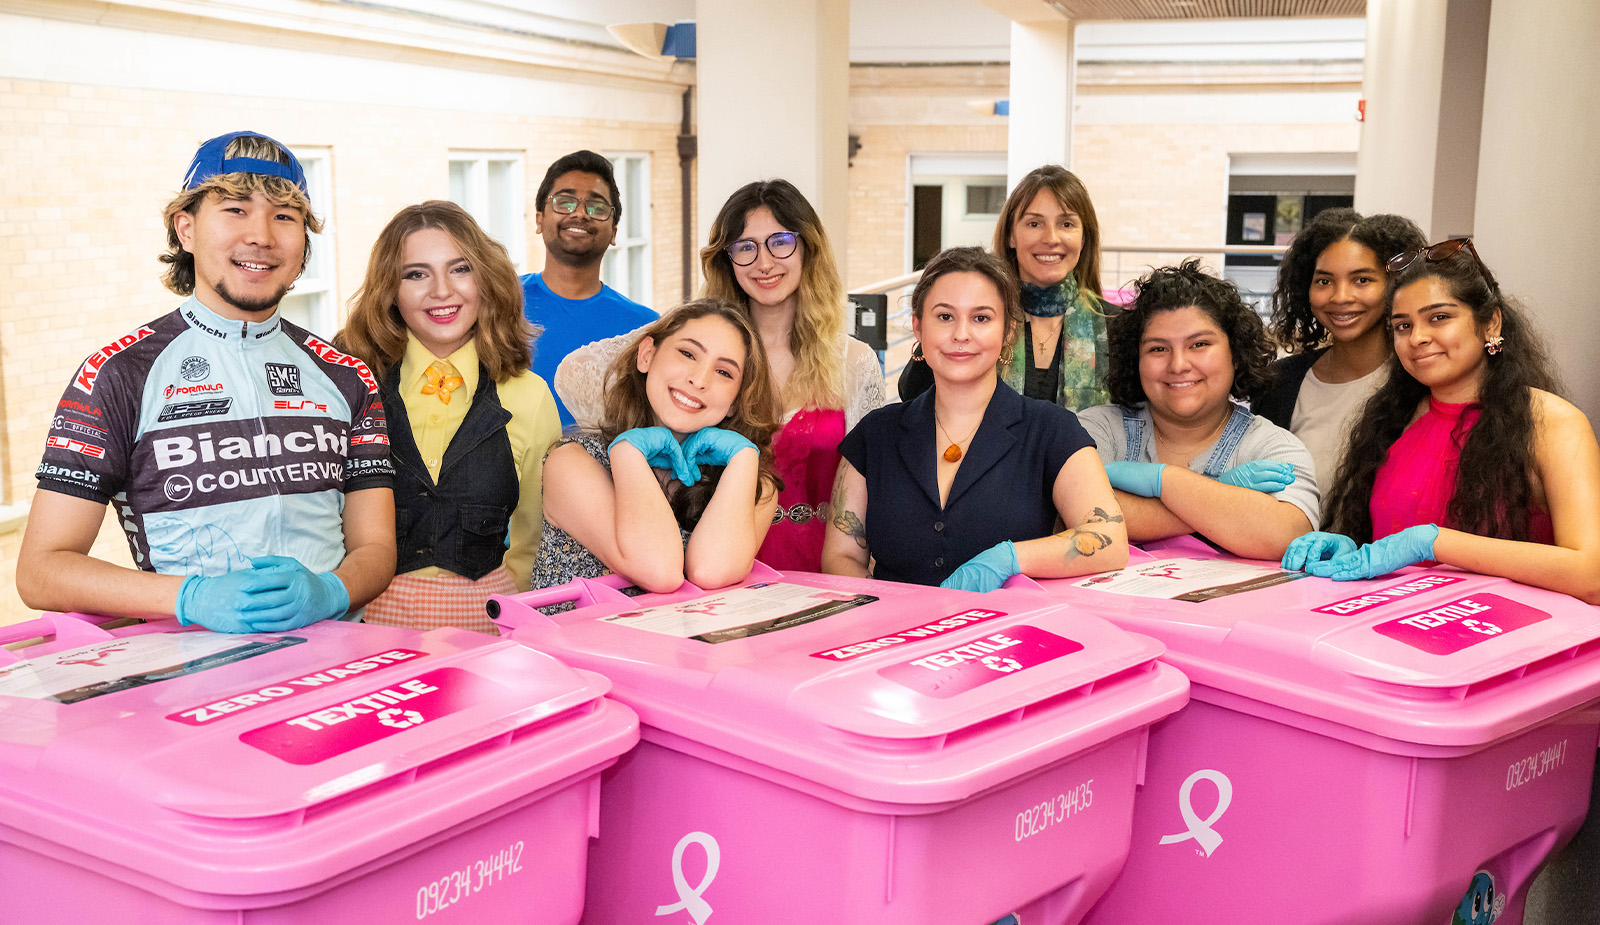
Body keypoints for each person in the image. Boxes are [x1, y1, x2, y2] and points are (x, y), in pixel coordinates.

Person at [16, 131, 395, 632]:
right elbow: (40, 570)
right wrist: (191, 597)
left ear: (303, 243)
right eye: (235, 209)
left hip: (336, 666)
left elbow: (376, 548)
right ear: (186, 229)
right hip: (190, 679)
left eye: (284, 216)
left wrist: (333, 590)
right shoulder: (118, 373)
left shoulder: (345, 374)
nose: (261, 234)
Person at [557, 179, 885, 572]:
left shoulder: (853, 360)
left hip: (822, 563)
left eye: (780, 241)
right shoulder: (710, 353)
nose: (764, 263)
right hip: (708, 554)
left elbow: (871, 484)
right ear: (726, 259)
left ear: (808, 247)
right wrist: (658, 420)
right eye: (745, 248)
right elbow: (573, 373)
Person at [1282, 238, 1600, 603]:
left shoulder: (1553, 423)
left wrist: (1434, 543)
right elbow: (1392, 546)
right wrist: (1352, 550)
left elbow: (1592, 575)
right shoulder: (1393, 418)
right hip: (1388, 634)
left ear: (1491, 323)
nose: (1417, 338)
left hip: (1502, 644)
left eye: (1439, 318)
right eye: (1402, 326)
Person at [822, 246, 1127, 591]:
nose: (961, 334)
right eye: (945, 317)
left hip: (1011, 637)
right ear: (918, 328)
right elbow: (841, 556)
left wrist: (1009, 558)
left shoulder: (1051, 429)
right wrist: (890, 612)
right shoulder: (875, 434)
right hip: (896, 637)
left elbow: (1110, 539)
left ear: (1008, 330)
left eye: (981, 318)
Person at [335, 201, 560, 632]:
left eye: (460, 269)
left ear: (486, 280)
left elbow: (535, 537)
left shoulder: (529, 396)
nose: (441, 291)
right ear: (390, 290)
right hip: (364, 625)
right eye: (416, 274)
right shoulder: (352, 388)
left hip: (487, 626)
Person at [533, 300, 782, 595]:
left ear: (736, 402)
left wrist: (742, 458)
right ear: (647, 355)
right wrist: (628, 452)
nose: (699, 380)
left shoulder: (754, 486)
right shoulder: (569, 463)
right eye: (688, 353)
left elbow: (710, 571)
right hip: (570, 642)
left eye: (724, 372)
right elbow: (659, 571)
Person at [1076, 260, 1319, 561]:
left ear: (1237, 353)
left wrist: (1165, 484)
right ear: (1134, 360)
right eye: (1158, 349)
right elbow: (1079, 515)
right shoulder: (1094, 429)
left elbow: (1287, 534)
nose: (1178, 365)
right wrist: (1220, 494)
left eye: (1199, 344)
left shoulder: (1272, 447)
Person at [900, 164, 1111, 410]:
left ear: (1084, 237)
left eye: (1066, 224)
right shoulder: (975, 321)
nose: (1051, 238)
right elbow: (914, 393)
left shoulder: (1115, 329)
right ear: (1011, 235)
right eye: (1034, 224)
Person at [1256, 208, 1427, 484]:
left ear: (1395, 284)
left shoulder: (1422, 379)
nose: (1341, 296)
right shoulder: (1280, 383)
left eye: (1362, 280)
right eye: (1324, 281)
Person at [520, 150, 657, 426]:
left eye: (596, 207)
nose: (580, 213)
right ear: (539, 219)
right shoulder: (498, 301)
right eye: (565, 202)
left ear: (614, 231)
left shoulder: (646, 328)